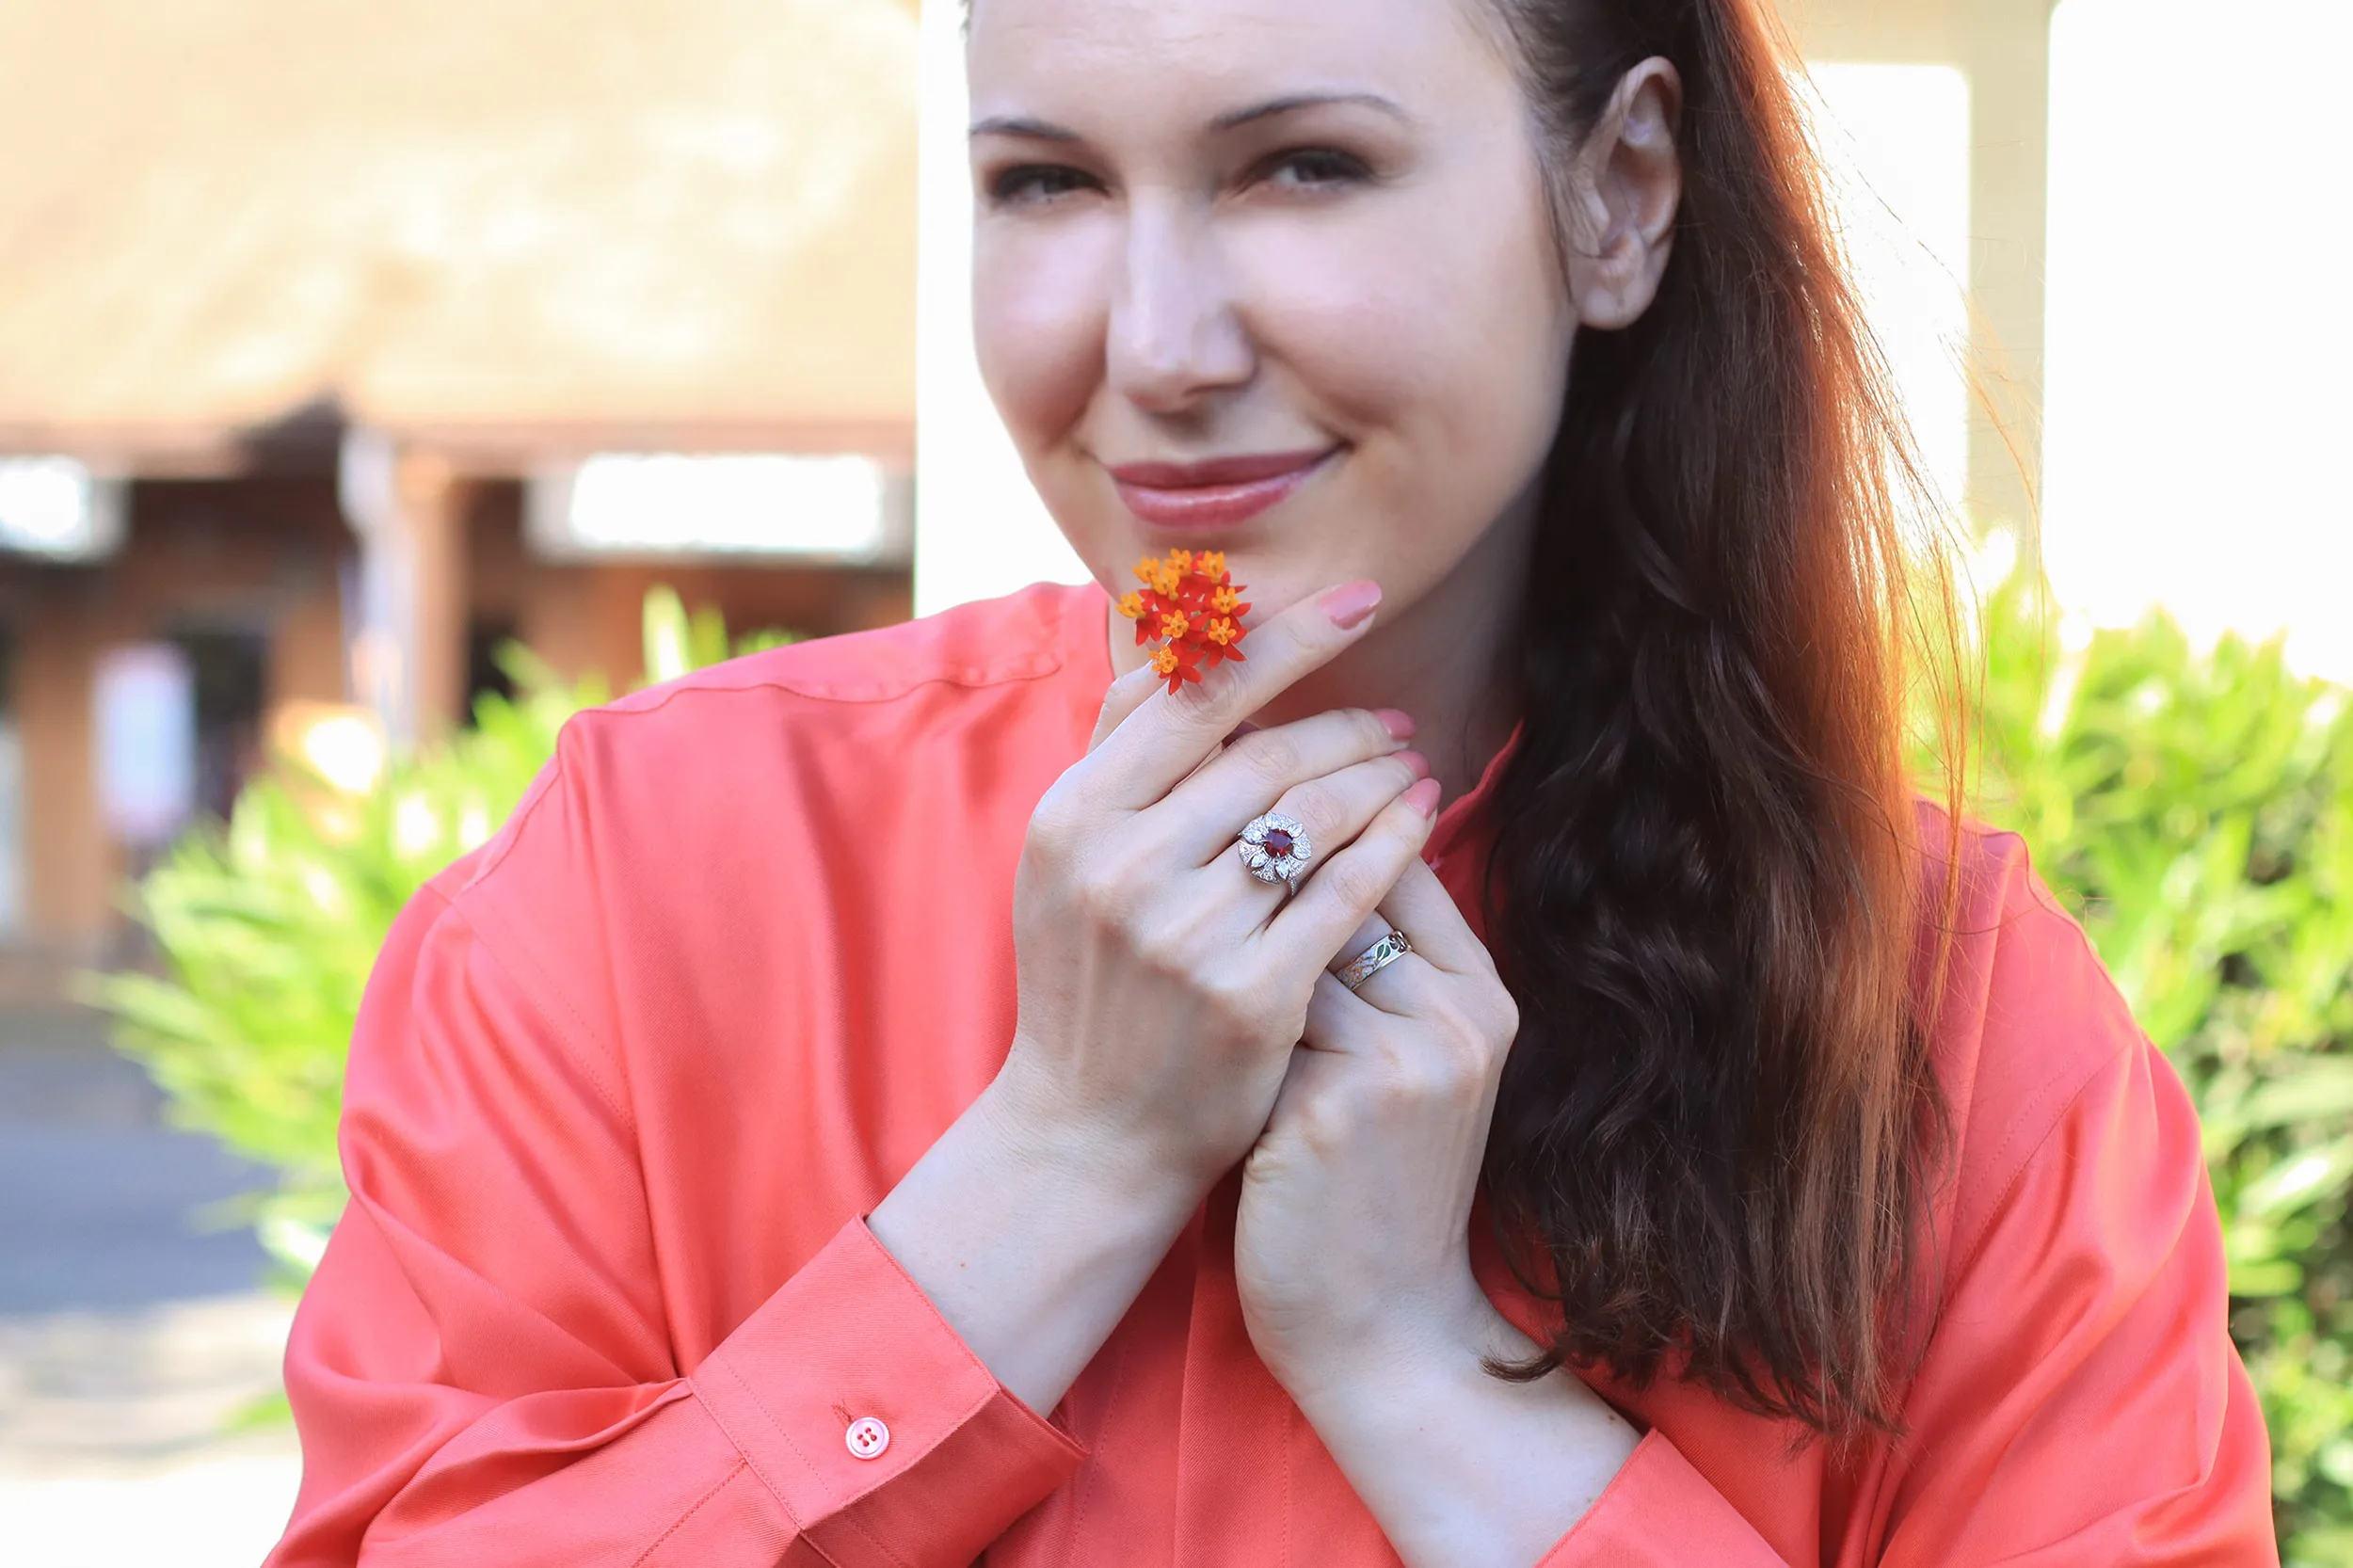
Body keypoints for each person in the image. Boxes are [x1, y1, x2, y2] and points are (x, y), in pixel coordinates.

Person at [264, 0, 2278, 1561]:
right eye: (1042, 183)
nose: (1150, 343)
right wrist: (1062, 1161)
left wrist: (1422, 1375)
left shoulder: (1958, 1028)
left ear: (1621, 197)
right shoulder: (649, 875)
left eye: (1301, 167)